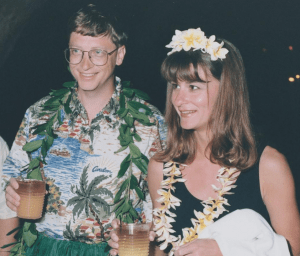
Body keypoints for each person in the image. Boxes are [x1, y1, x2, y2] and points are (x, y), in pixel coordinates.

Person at [108, 28, 300, 256]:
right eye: (175, 86)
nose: (178, 99)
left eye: (194, 87)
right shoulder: (161, 167)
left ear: (226, 90)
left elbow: (293, 250)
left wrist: (227, 251)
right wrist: (143, 250)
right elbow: (164, 250)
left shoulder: (268, 166)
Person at [1, 4, 166, 256]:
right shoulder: (39, 114)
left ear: (119, 55)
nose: (85, 64)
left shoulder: (149, 123)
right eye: (76, 51)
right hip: (42, 249)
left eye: (98, 52)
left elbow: (167, 212)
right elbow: (8, 198)